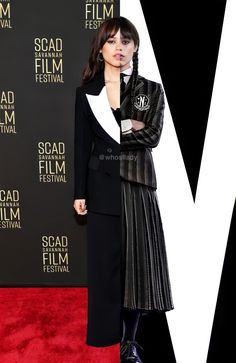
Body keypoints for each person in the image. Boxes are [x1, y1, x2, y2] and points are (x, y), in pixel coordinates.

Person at [74, 16, 174, 363]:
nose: (120, 47)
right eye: (112, 41)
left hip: (138, 186)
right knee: (106, 267)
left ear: (135, 47)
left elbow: (153, 136)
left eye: (126, 41)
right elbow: (82, 144)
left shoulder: (151, 90)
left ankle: (130, 343)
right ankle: (104, 336)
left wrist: (128, 128)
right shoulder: (87, 92)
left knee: (137, 269)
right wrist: (79, 191)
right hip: (100, 187)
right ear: (101, 48)